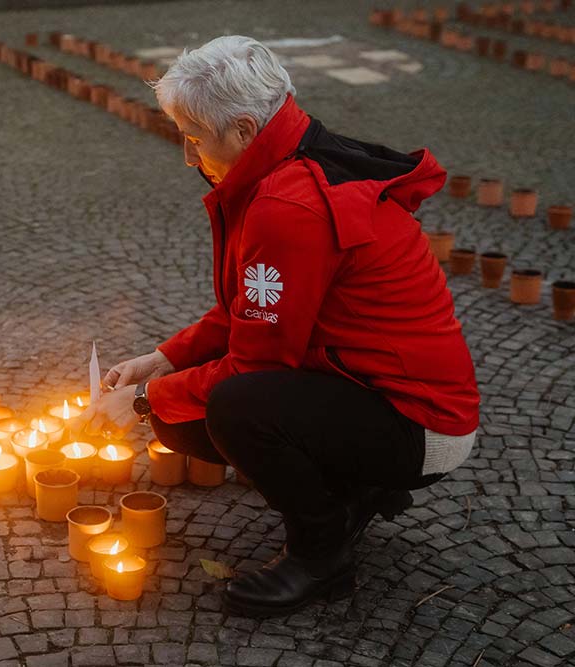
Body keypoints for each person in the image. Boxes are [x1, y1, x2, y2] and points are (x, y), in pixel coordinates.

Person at [73, 36, 480, 618]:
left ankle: (322, 556)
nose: (188, 157)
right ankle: (351, 490)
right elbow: (250, 311)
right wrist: (161, 362)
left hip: (418, 420)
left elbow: (257, 367)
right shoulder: (292, 159)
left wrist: (141, 400)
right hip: (370, 389)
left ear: (242, 130)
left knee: (236, 406)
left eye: (194, 137)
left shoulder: (289, 205)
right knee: (184, 411)